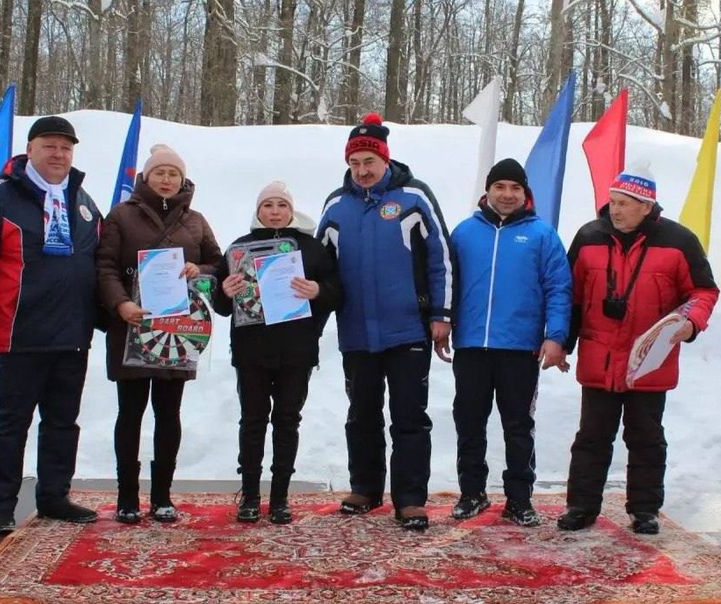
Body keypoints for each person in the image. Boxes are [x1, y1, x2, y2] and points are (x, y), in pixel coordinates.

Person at [0, 116, 103, 534]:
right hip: (17, 334)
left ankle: (54, 496)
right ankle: (0, 504)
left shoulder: (83, 200)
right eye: (50, 146)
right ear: (30, 148)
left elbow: (101, 264)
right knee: (10, 422)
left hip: (72, 336)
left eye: (66, 148)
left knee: (62, 422)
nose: (58, 155)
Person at [557, 165, 719, 535]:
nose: (615, 210)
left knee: (645, 437)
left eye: (625, 204)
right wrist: (562, 342)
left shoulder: (680, 242)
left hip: (650, 359)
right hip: (600, 358)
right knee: (591, 437)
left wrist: (690, 323)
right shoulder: (588, 237)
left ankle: (644, 509)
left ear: (647, 206)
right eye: (612, 202)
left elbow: (704, 292)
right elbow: (572, 297)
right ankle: (581, 506)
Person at [316, 112, 453, 531]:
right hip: (356, 332)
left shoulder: (415, 198)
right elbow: (319, 268)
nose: (362, 171)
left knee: (409, 416)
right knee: (362, 413)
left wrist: (441, 314)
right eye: (355, 163)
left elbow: (441, 259)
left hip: (408, 328)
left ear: (385, 159)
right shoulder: (337, 205)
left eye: (369, 162)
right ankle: (366, 487)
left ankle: (410, 498)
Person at [97, 144, 222, 524]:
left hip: (177, 332)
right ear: (146, 177)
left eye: (174, 174)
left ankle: (163, 496)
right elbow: (104, 267)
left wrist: (196, 269)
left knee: (169, 413)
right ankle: (127, 497)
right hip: (132, 326)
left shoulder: (196, 220)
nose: (167, 180)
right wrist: (120, 305)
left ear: (183, 180)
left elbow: (217, 262)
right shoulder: (121, 216)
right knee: (130, 413)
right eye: (160, 173)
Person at [448, 158, 572, 527]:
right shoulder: (464, 233)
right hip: (471, 345)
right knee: (469, 422)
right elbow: (445, 283)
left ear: (525, 194)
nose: (507, 194)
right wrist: (439, 323)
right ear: (487, 191)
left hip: (520, 348)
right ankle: (472, 493)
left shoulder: (542, 235)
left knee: (518, 426)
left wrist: (556, 336)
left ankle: (519, 499)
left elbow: (559, 288)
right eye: (500, 187)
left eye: (515, 188)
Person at [215, 181, 341, 524]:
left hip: (296, 351)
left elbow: (336, 293)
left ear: (291, 210)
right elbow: (221, 306)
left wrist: (317, 290)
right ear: (258, 211)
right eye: (267, 205)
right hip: (251, 351)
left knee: (287, 421)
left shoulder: (311, 249)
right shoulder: (239, 249)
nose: (274, 211)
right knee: (252, 422)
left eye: (281, 205)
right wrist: (225, 292)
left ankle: (281, 497)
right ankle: (251, 496)